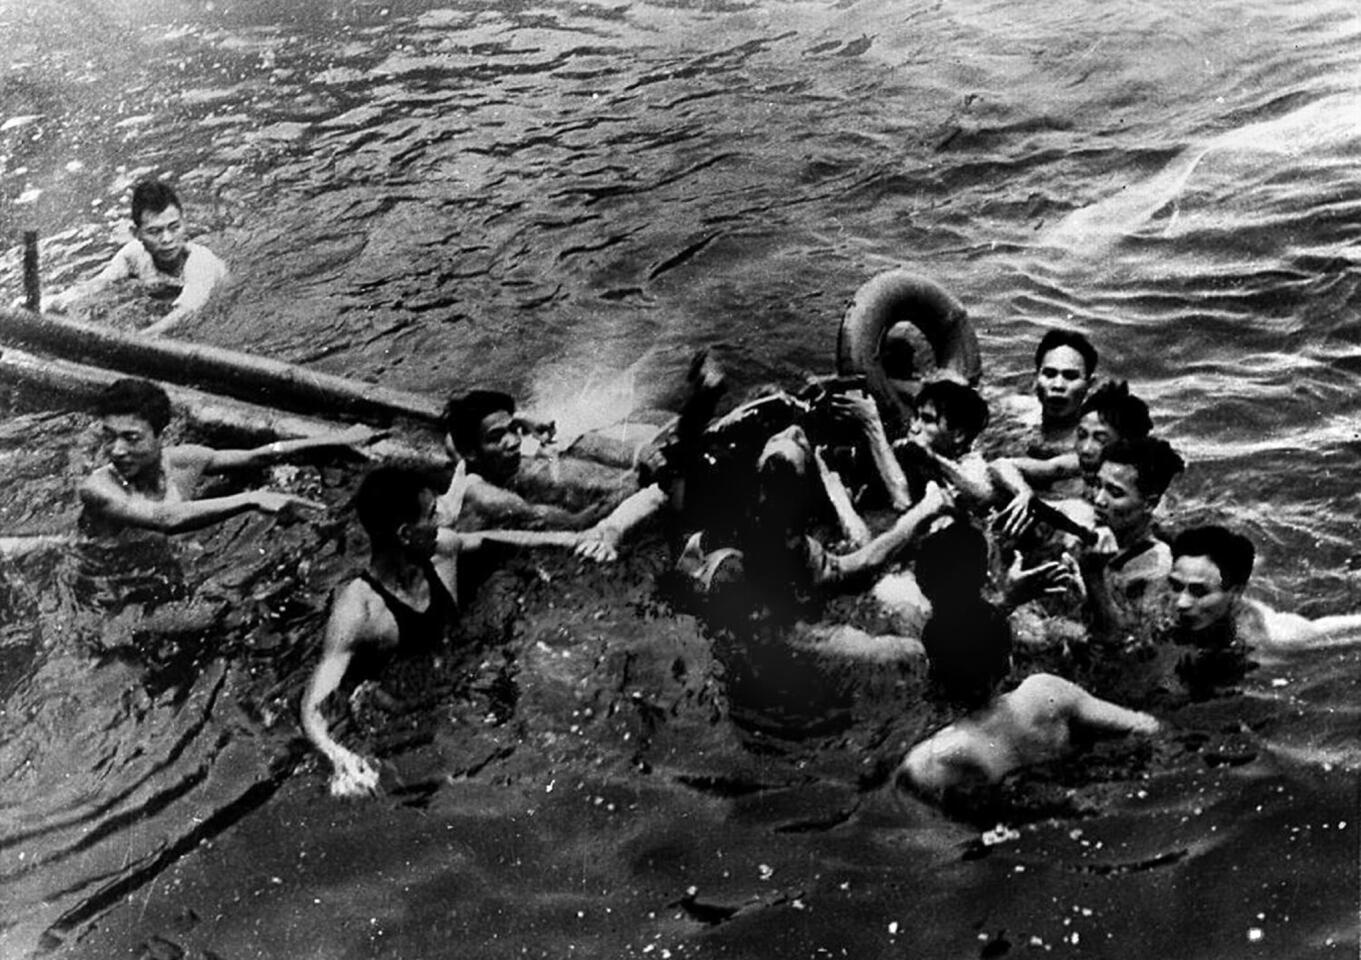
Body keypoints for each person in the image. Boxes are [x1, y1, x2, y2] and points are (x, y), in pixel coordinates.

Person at [301, 467, 484, 797]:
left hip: (452, 690)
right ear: (405, 533)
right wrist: (340, 758)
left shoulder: (442, 548)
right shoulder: (359, 612)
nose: (443, 516)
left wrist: (576, 536)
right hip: (397, 720)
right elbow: (315, 706)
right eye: (432, 513)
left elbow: (491, 540)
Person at [79, 378, 379, 535]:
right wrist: (251, 499)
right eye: (110, 437)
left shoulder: (184, 460)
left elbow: (257, 457)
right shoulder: (98, 488)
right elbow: (166, 520)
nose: (117, 450)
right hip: (98, 570)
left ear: (162, 434)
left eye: (131, 438)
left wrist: (337, 438)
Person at [897, 672, 1160, 799]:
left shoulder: (931, 757)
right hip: (1082, 795)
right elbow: (1144, 726)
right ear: (1008, 663)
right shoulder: (1045, 692)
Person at [43, 179, 228, 336]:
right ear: (136, 233)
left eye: (174, 227)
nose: (167, 239)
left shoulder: (200, 262)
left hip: (217, 308)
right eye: (154, 231)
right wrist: (56, 301)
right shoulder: (133, 255)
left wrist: (137, 339)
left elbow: (187, 311)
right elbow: (100, 283)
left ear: (184, 223)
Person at [1166, 525, 1361, 656]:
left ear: (1236, 592)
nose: (1181, 603)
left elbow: (1331, 628)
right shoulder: (1159, 602)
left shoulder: (1277, 636)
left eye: (1199, 591)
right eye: (1176, 586)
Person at [1077, 436, 1186, 639]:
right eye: (1097, 484)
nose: (1099, 500)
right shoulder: (1090, 524)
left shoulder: (1157, 568)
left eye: (1115, 493)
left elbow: (1129, 644)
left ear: (1149, 504)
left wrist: (1093, 577)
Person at [1000, 329, 1099, 461]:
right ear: (1036, 378)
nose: (1058, 385)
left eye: (1070, 376)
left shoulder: (1095, 440)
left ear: (1090, 384)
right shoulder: (1014, 411)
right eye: (1049, 374)